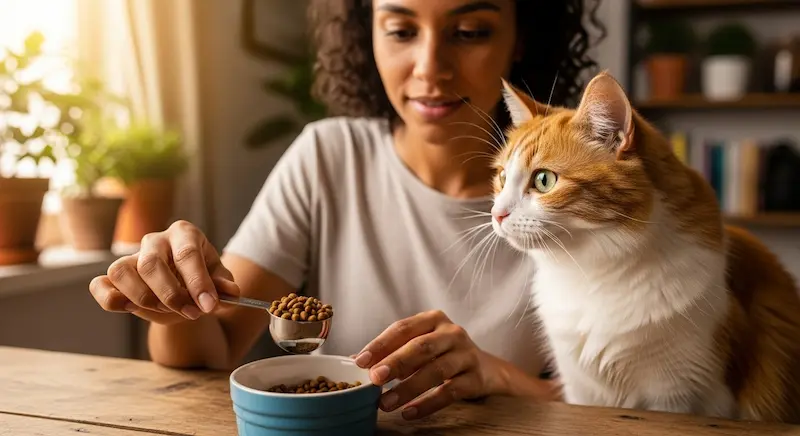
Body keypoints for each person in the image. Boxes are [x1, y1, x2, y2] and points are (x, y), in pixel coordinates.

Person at [89, 0, 604, 421]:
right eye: (401, 30)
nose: (430, 68)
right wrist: (177, 299)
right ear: (368, 35)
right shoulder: (328, 158)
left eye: (469, 31)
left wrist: (497, 375)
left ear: (521, 40)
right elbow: (214, 345)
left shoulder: (583, 199)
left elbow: (627, 409)